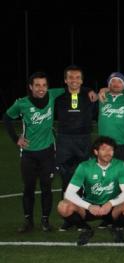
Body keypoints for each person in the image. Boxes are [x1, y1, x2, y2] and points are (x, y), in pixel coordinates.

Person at [3, 72, 65, 232]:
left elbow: (72, 88)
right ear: (31, 87)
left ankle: (45, 221)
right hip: (29, 153)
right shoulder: (22, 103)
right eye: (37, 85)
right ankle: (28, 222)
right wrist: (16, 138)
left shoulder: (52, 95)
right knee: (29, 188)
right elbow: (7, 117)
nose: (41, 88)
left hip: (48, 152)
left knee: (46, 188)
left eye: (44, 85)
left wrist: (94, 91)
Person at [56, 136, 124, 245]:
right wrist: (88, 206)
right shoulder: (84, 166)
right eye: (104, 149)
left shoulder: (120, 165)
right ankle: (86, 229)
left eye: (110, 150)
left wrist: (110, 203)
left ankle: (116, 228)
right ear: (96, 152)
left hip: (111, 208)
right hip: (89, 207)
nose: (108, 153)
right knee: (63, 206)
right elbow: (69, 193)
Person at [54, 65, 98, 231]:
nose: (74, 80)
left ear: (82, 80)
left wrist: (90, 89)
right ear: (65, 80)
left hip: (83, 141)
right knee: (66, 180)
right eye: (71, 77)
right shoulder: (58, 98)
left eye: (78, 77)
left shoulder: (90, 96)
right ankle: (68, 218)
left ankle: (80, 216)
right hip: (65, 142)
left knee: (82, 181)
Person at [97, 72, 124, 162]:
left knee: (122, 172)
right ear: (108, 84)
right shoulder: (101, 97)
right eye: (113, 81)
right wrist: (103, 90)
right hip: (103, 143)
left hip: (122, 143)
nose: (116, 84)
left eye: (120, 82)